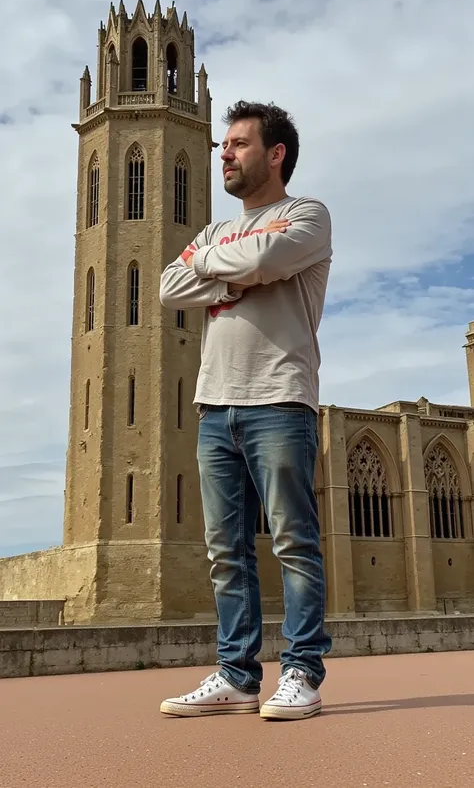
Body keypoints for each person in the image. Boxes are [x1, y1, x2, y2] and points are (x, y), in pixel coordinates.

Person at [159, 101, 332, 720]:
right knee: (225, 549)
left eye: (236, 144)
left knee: (292, 541)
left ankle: (303, 672)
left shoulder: (307, 215)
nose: (223, 154)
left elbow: (267, 260)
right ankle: (237, 674)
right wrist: (232, 275)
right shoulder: (211, 233)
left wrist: (218, 269)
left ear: (274, 153)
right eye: (223, 145)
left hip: (280, 397)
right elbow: (167, 286)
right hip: (214, 406)